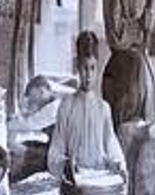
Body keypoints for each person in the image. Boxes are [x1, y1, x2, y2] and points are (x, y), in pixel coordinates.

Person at [46, 30, 126, 182]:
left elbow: (111, 145)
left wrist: (117, 164)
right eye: (84, 68)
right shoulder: (67, 106)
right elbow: (56, 150)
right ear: (77, 66)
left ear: (97, 68)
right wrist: (65, 165)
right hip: (75, 182)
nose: (88, 75)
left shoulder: (103, 108)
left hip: (99, 182)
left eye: (92, 68)